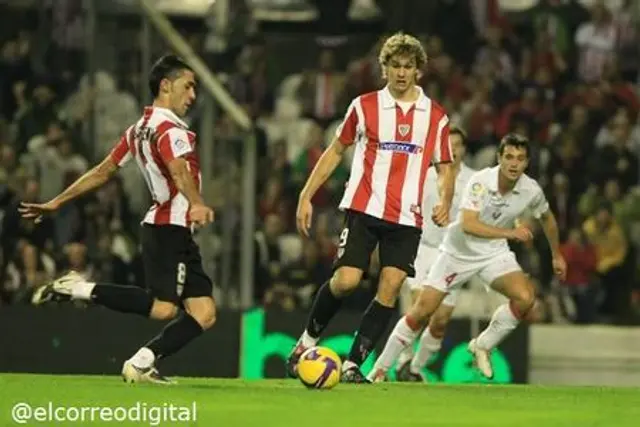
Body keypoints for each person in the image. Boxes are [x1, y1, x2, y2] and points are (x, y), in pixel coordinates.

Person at [20, 55, 216, 384]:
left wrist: (57, 201)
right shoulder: (169, 129)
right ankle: (78, 288)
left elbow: (103, 171)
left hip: (172, 228)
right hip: (169, 227)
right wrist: (196, 202)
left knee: (204, 313)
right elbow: (179, 170)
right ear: (166, 86)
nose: (193, 94)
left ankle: (142, 363)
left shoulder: (138, 130)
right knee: (164, 308)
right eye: (188, 86)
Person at [286, 32, 456, 383]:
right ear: (384, 69)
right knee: (346, 281)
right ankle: (306, 342)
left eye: (408, 66)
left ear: (419, 71)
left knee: (390, 288)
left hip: (407, 215)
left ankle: (353, 366)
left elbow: (445, 167)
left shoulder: (435, 117)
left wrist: (445, 198)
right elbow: (335, 150)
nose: (401, 72)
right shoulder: (364, 106)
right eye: (395, 65)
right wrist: (306, 194)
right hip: (364, 207)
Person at [368, 133, 567, 381]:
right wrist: (511, 232)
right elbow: (468, 225)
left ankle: (482, 345)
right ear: (499, 159)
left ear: (526, 163)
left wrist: (556, 254)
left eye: (520, 159)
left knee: (526, 298)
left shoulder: (531, 189)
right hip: (456, 252)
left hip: (493, 251)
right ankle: (381, 367)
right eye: (509, 157)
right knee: (422, 311)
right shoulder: (480, 181)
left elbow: (546, 217)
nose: (514, 164)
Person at [392, 126, 475, 382]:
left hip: (454, 256)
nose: (452, 150)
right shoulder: (421, 176)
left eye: (457, 144)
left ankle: (415, 368)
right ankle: (403, 361)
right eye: (447, 145)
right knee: (421, 309)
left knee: (439, 322)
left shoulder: (474, 180)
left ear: (463, 149)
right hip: (423, 249)